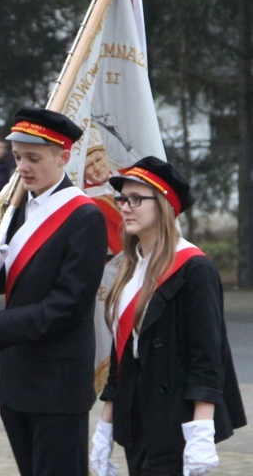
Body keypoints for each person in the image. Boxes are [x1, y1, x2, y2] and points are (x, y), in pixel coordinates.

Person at [0, 106, 108, 475]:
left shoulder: (85, 217)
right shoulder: (18, 207)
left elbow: (68, 304)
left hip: (58, 385)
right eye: (19, 157)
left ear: (64, 156)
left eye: (34, 158)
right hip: (16, 380)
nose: (23, 167)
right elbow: (20, 278)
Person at [89, 156, 247, 476]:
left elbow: (207, 358)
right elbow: (121, 356)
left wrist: (201, 432)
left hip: (176, 425)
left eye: (137, 199)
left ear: (163, 205)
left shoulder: (194, 268)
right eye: (122, 198)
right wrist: (104, 429)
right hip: (136, 422)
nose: (125, 207)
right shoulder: (131, 267)